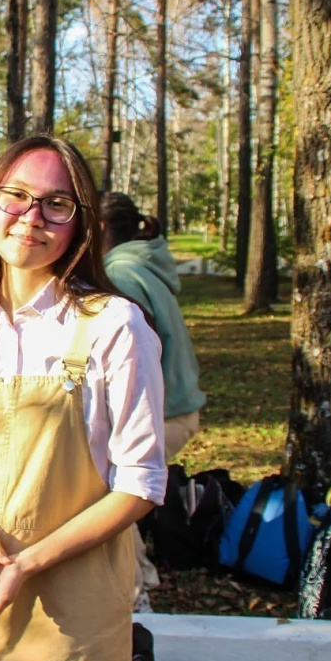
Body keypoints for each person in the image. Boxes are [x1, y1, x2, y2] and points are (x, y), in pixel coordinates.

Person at [0, 136, 167, 661]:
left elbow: (141, 485)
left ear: (80, 223)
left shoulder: (115, 325)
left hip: (72, 612)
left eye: (57, 204)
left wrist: (27, 563)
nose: (32, 218)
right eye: (16, 196)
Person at [99, 192, 205, 460]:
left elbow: (134, 357)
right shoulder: (139, 263)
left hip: (159, 417)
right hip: (175, 410)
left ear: (98, 228)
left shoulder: (119, 275)